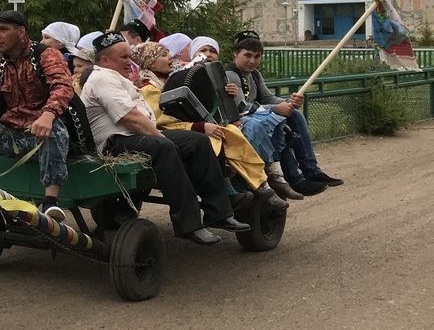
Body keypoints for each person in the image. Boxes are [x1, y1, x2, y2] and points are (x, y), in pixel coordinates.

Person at [81, 32, 249, 245]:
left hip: (135, 136)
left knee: (197, 141)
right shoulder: (102, 77)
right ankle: (189, 224)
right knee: (164, 146)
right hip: (115, 142)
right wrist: (162, 137)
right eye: (124, 57)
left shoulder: (116, 78)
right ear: (105, 60)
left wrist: (163, 136)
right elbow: (130, 118)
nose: (130, 61)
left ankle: (219, 213)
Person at [128, 41, 286, 212]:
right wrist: (200, 126)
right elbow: (162, 121)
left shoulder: (168, 79)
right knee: (215, 137)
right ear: (151, 62)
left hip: (188, 125)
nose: (170, 58)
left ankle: (260, 184)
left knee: (231, 131)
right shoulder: (148, 88)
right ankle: (231, 188)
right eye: (164, 55)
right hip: (171, 131)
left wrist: (229, 99)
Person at [0, 10, 74, 215]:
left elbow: (63, 87)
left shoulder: (46, 55)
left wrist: (48, 115)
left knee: (55, 130)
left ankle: (51, 202)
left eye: (3, 29)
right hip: (9, 135)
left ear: (21, 32)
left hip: (39, 134)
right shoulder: (0, 67)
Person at [225, 30, 343, 195]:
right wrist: (276, 109)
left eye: (257, 56)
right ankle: (294, 178)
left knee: (294, 115)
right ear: (235, 54)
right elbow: (242, 107)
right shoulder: (230, 74)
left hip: (257, 120)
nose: (252, 61)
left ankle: (310, 169)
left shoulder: (254, 75)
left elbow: (268, 98)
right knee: (280, 126)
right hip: (237, 126)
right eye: (248, 55)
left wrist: (289, 102)